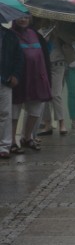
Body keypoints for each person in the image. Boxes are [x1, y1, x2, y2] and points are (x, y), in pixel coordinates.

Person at [10, 15, 51, 152]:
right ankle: (11, 141)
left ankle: (27, 138)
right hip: (18, 78)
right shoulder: (10, 35)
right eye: (20, 17)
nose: (23, 20)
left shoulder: (35, 34)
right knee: (14, 111)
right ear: (14, 19)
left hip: (36, 78)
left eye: (26, 17)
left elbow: (43, 57)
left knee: (35, 110)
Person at [37, 19, 74, 136]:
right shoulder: (40, 32)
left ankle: (61, 124)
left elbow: (69, 45)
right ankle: (47, 124)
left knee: (55, 94)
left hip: (58, 64)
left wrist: (59, 35)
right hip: (44, 65)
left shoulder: (61, 31)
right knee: (46, 95)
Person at [0, 22, 23, 159]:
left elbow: (19, 58)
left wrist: (16, 75)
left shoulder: (9, 36)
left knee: (5, 113)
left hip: (5, 79)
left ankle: (4, 146)